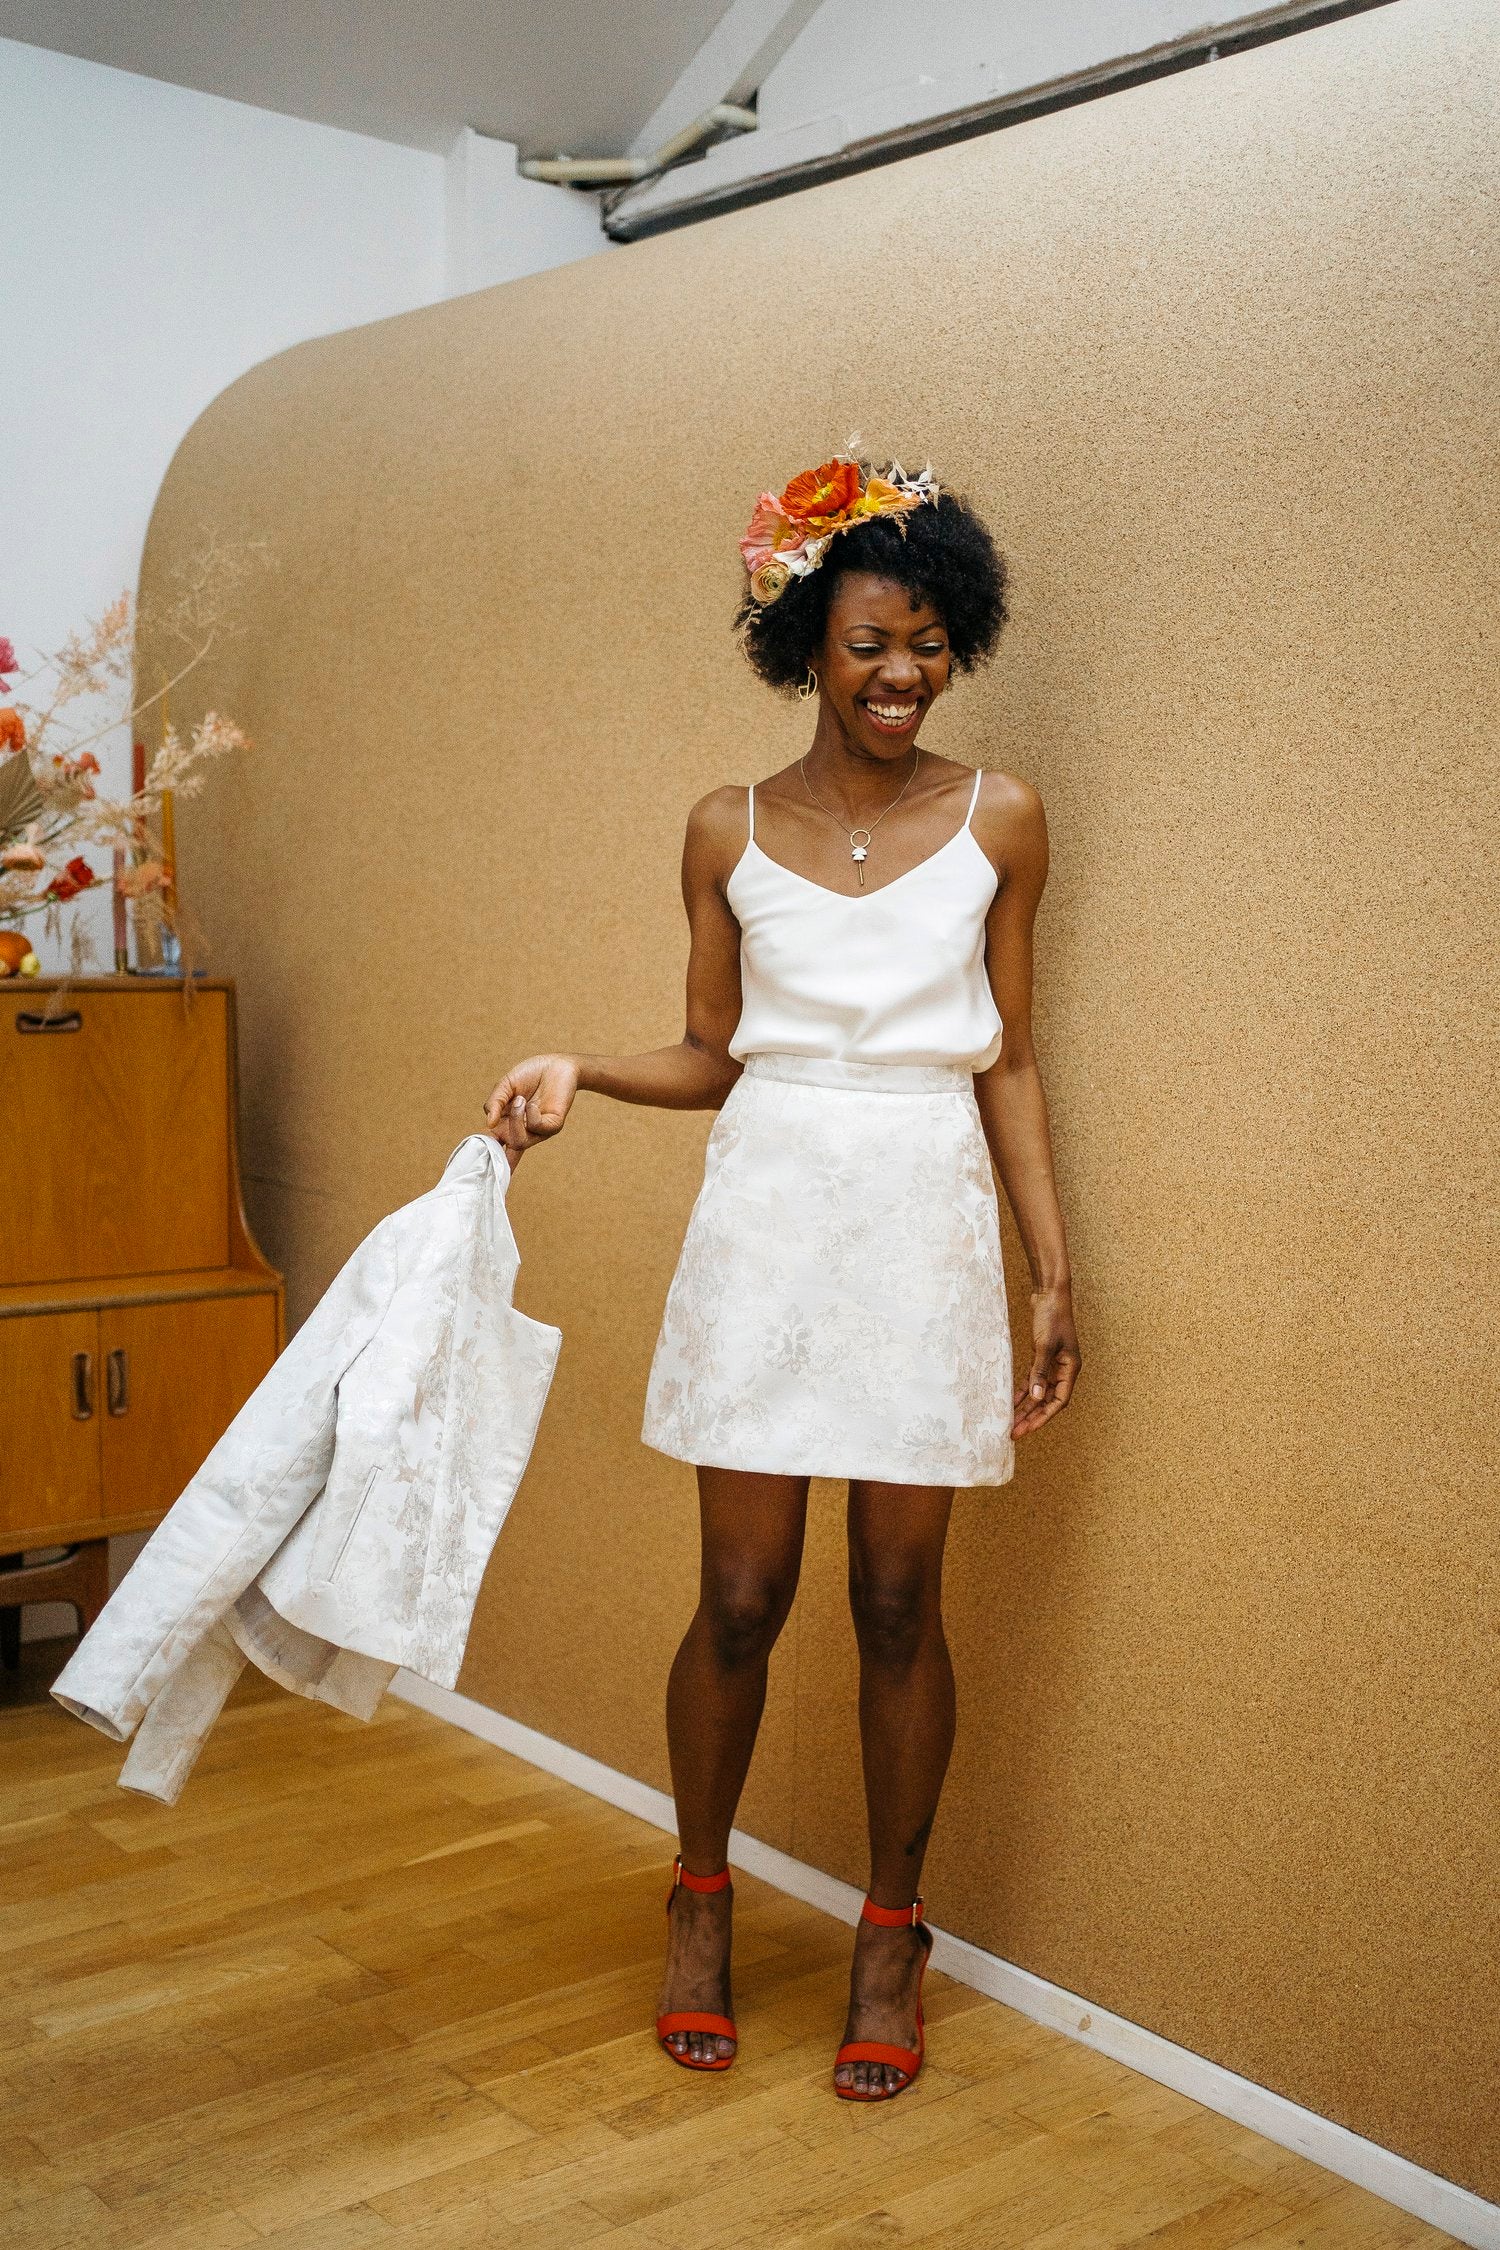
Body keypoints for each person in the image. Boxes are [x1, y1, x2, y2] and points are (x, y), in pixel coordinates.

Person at [484, 448, 1080, 2101]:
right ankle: (699, 1901)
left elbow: (1011, 1060)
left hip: (923, 1215)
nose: (904, 675)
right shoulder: (726, 829)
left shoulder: (1006, 818)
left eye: (932, 640)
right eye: (870, 642)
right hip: (768, 1220)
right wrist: (583, 1072)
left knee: (899, 1598)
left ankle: (895, 1928)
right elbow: (714, 1054)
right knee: (743, 1596)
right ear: (804, 642)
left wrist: (1050, 1266)